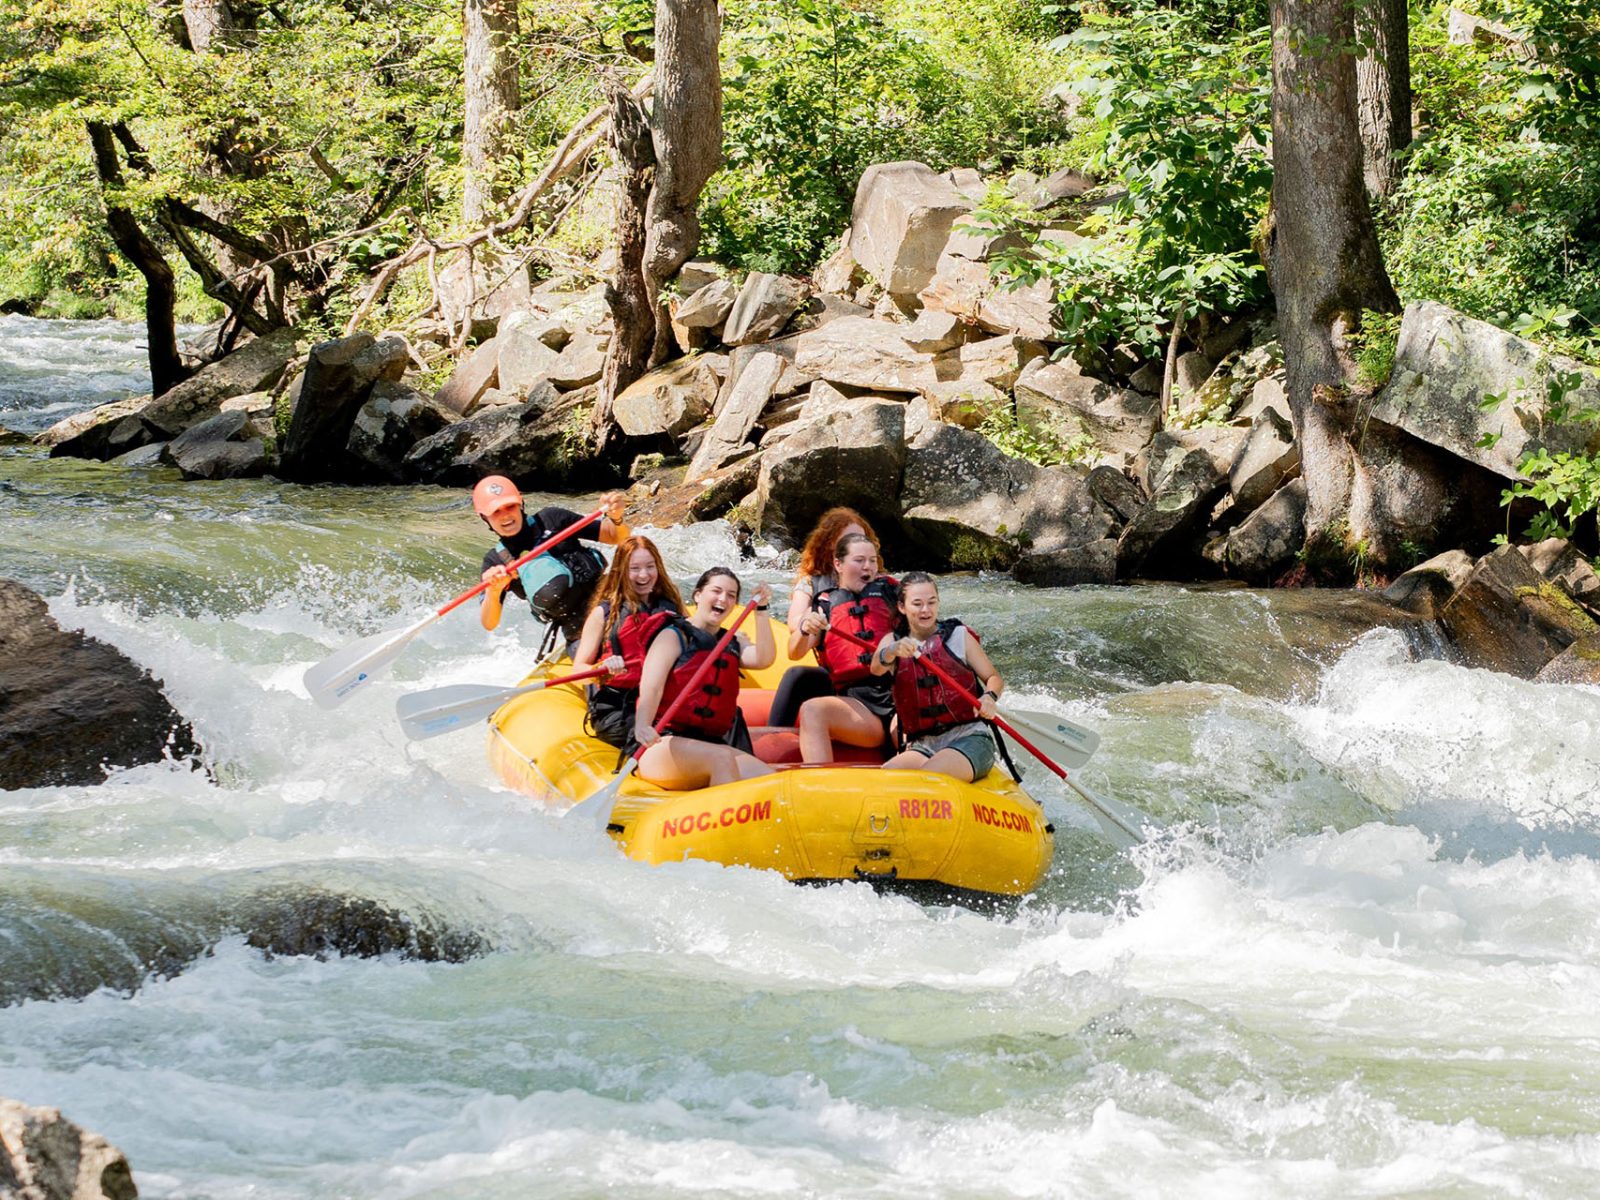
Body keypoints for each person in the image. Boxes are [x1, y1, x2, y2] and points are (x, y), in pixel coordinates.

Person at [633, 568, 777, 790]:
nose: (723, 599)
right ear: (698, 595)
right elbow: (651, 688)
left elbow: (763, 658)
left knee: (768, 779)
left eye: (731, 595)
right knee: (721, 758)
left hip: (709, 744)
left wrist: (762, 611)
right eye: (716, 591)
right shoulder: (674, 636)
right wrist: (642, 725)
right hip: (660, 744)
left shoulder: (730, 641)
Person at [871, 571, 1003, 783]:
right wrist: (892, 650)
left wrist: (989, 697)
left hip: (969, 737)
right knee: (885, 780)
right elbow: (876, 667)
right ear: (902, 607)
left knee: (928, 778)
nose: (926, 610)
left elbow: (993, 677)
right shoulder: (892, 642)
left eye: (931, 602)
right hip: (924, 744)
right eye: (917, 604)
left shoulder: (958, 636)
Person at [474, 476, 629, 653]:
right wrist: (493, 591)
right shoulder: (495, 562)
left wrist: (616, 518)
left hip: (614, 602)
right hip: (579, 632)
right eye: (496, 511)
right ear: (484, 518)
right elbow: (489, 622)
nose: (505, 515)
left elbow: (616, 537)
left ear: (521, 504)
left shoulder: (553, 519)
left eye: (510, 506)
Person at [793, 532, 900, 763]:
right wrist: (805, 628)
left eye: (872, 560)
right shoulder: (824, 603)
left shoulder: (893, 594)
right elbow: (794, 652)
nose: (868, 567)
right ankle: (822, 786)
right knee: (812, 710)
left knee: (909, 727)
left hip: (900, 697)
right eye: (859, 560)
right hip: (859, 707)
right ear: (838, 564)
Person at [569, 535, 685, 748]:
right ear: (621, 571)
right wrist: (600, 668)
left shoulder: (670, 606)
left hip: (661, 702)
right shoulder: (603, 614)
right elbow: (578, 671)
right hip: (619, 709)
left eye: (650, 566)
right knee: (669, 735)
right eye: (634, 568)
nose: (644, 575)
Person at [769, 507, 881, 727]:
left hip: (881, 680)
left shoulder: (884, 588)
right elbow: (795, 624)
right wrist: (811, 621)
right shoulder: (815, 586)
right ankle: (775, 737)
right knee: (799, 675)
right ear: (832, 546)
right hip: (838, 675)